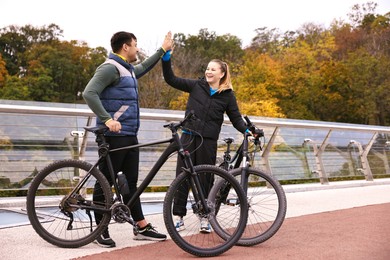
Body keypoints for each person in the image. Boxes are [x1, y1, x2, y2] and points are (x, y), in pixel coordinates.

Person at [83, 31, 174, 248]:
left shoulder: (127, 70)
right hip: (113, 136)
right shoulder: (109, 68)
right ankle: (99, 229)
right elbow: (89, 93)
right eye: (135, 45)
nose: (137, 49)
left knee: (131, 184)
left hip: (129, 134)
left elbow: (143, 67)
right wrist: (106, 120)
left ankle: (141, 226)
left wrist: (163, 50)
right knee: (104, 182)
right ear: (125, 47)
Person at [161, 51, 248, 233]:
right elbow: (171, 79)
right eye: (207, 68)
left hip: (208, 141)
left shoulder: (228, 96)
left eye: (213, 69)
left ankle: (204, 217)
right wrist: (166, 57)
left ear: (222, 74)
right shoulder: (196, 86)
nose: (208, 72)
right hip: (188, 136)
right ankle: (178, 216)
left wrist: (247, 130)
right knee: (182, 176)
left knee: (205, 179)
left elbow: (236, 118)